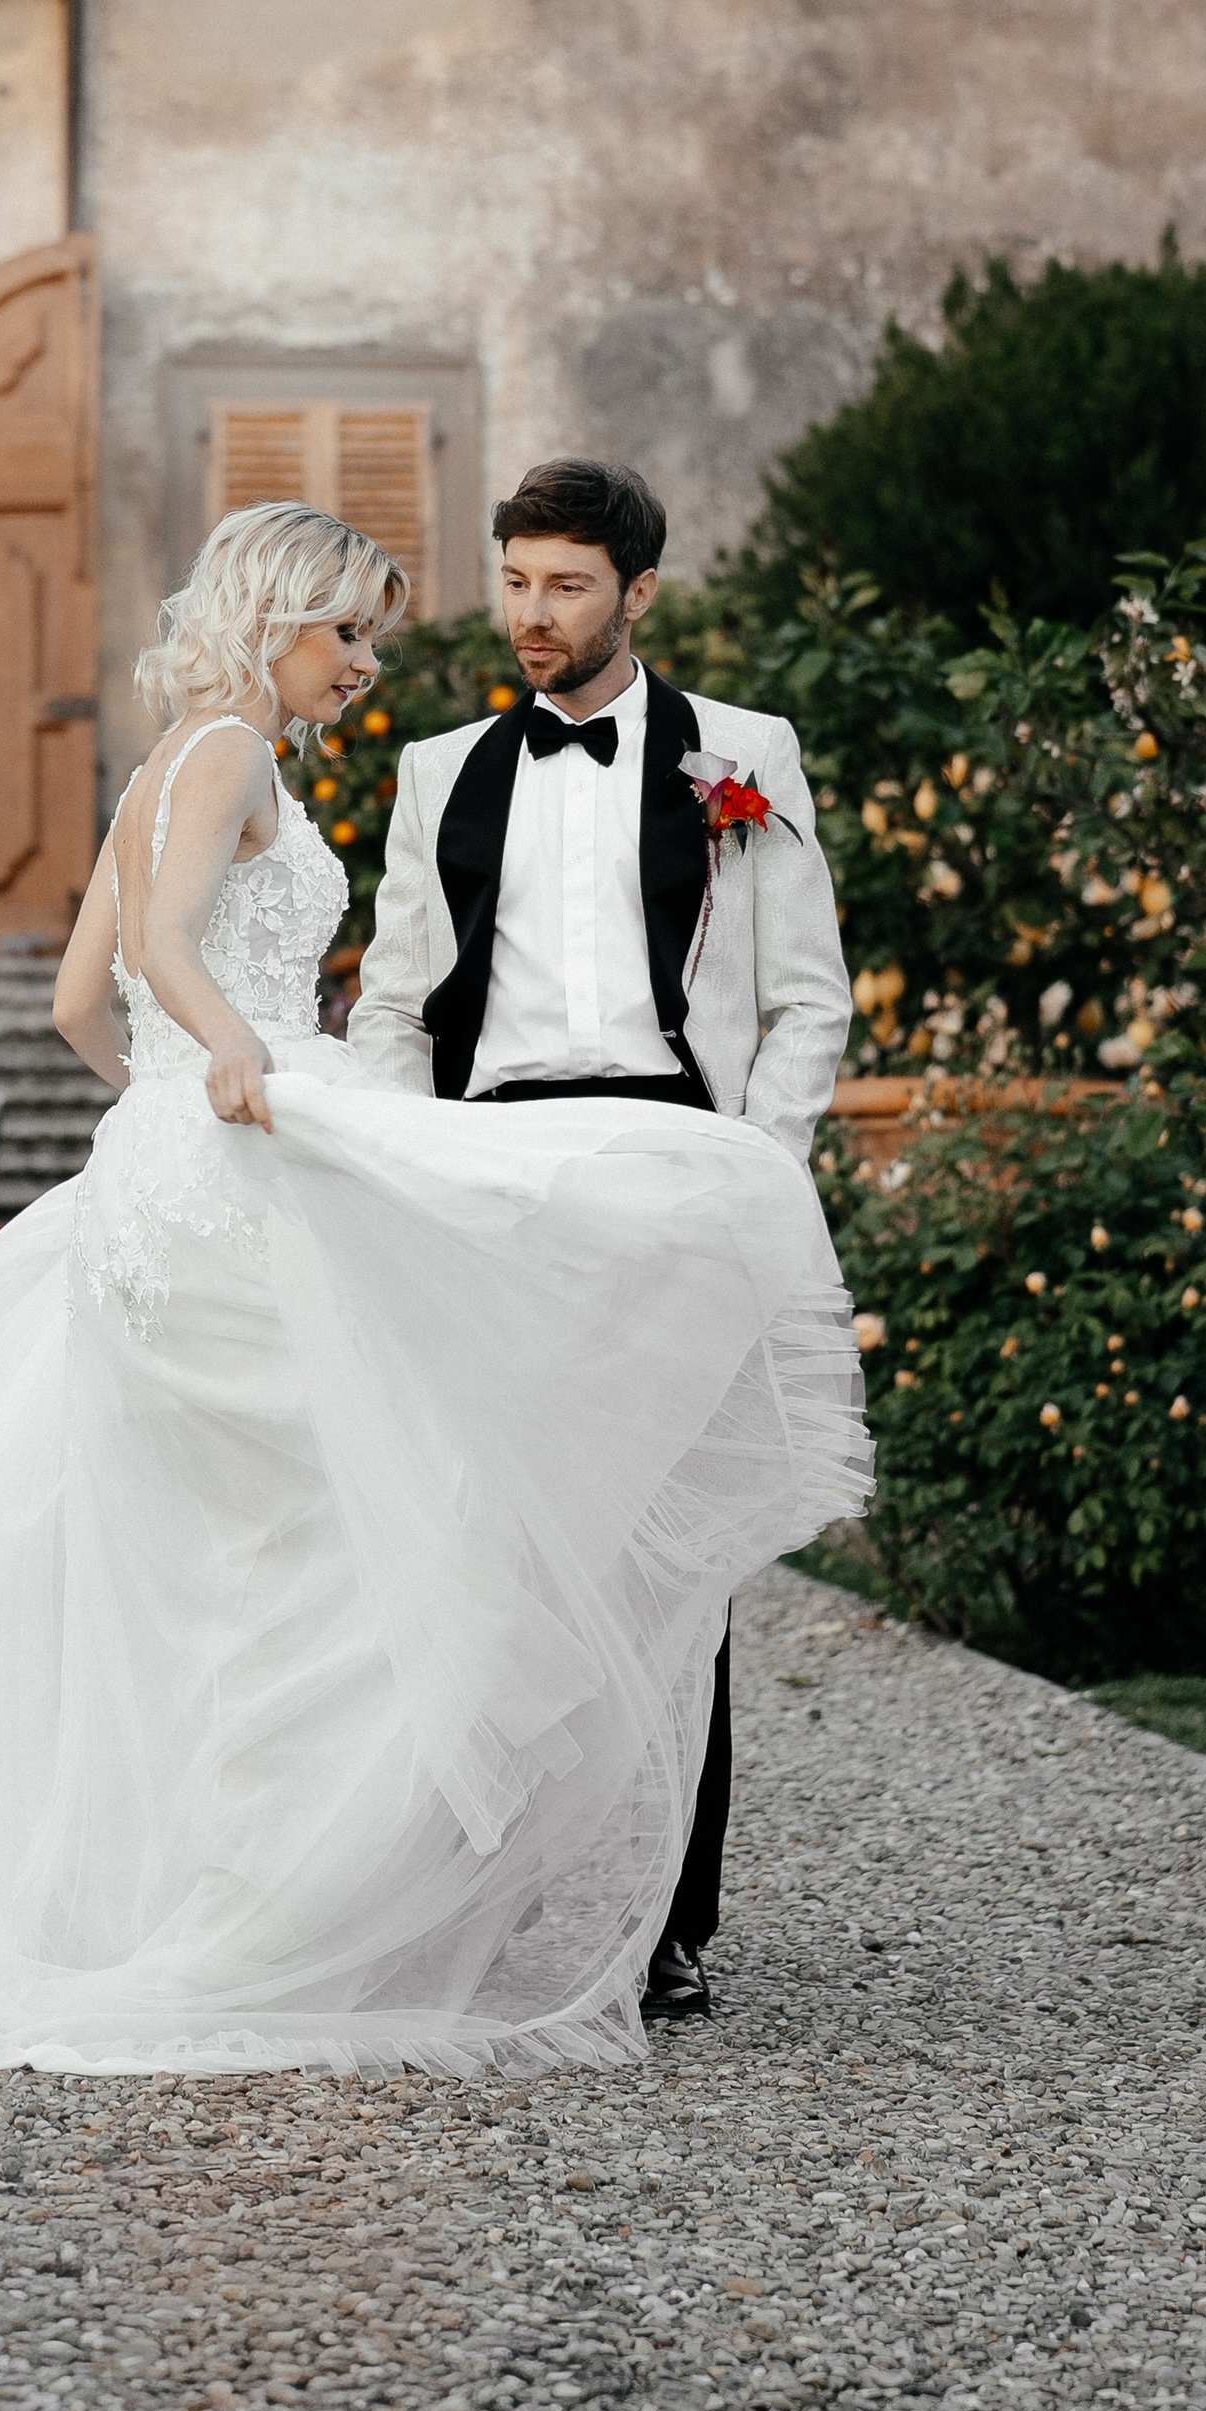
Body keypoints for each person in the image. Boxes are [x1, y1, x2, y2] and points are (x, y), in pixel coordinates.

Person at [0, 499, 867, 2078]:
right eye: (350, 634)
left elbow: (85, 996)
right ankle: (301, 1895)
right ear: (280, 617)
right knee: (353, 1532)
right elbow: (166, 944)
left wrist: (160, 1103)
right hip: (252, 1149)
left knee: (224, 1549)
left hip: (195, 1164)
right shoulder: (230, 758)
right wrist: (241, 1060)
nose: (365, 666)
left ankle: (246, 1881)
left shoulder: (176, 764)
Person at [350, 454, 855, 2021]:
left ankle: (665, 1923)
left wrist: (754, 1173)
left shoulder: (744, 756)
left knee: (665, 1554)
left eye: (565, 586)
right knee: (483, 1542)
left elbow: (806, 993)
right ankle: (474, 1904)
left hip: (675, 1163)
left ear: (638, 592)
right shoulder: (440, 768)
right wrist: (402, 1153)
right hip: (496, 1172)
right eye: (513, 582)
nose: (532, 615)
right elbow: (392, 994)